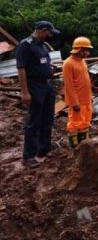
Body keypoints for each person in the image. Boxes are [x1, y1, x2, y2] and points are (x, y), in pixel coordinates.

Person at [16, 20, 60, 168]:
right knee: (34, 120)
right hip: (34, 86)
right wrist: (25, 92)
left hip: (47, 85)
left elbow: (41, 63)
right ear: (41, 30)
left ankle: (43, 149)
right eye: (48, 33)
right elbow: (21, 69)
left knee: (47, 118)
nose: (50, 36)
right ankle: (28, 156)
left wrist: (49, 69)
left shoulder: (42, 45)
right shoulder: (25, 45)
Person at [62, 37, 93, 148]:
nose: (88, 53)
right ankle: (75, 147)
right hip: (77, 101)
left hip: (86, 99)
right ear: (79, 50)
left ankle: (85, 145)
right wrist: (74, 103)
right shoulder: (68, 64)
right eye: (86, 50)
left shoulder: (83, 62)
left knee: (85, 122)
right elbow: (69, 86)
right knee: (75, 124)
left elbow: (85, 80)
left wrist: (90, 96)